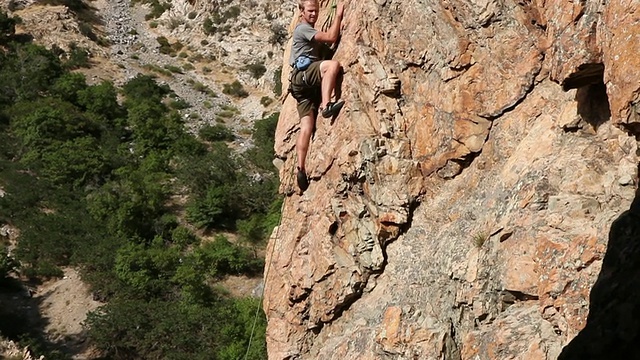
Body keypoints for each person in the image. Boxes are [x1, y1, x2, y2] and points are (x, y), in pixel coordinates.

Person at [289, 0, 345, 192]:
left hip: (301, 86)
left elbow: (328, 44)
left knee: (307, 126)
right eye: (310, 11)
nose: (313, 14)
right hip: (303, 77)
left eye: (316, 11)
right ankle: (327, 105)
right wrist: (338, 15)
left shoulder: (308, 32)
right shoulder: (302, 29)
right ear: (301, 11)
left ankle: (301, 168)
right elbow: (330, 37)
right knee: (332, 66)